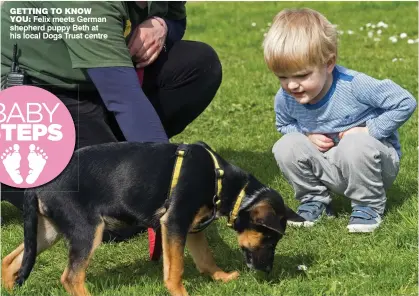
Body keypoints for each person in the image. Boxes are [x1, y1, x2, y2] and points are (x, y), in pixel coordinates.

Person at [1, 1, 222, 257]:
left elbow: (174, 18)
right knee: (117, 217)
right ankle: (11, 174)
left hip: (100, 76)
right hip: (43, 90)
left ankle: (115, 149)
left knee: (198, 64)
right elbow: (125, 99)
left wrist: (162, 26)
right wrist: (176, 190)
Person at [263, 8, 416, 233]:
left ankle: (368, 205)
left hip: (372, 164)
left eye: (302, 75)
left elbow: (405, 101)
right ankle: (315, 200)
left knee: (354, 143)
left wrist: (369, 131)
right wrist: (307, 137)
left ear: (329, 63)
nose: (292, 85)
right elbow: (284, 125)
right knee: (286, 145)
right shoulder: (286, 97)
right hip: (331, 166)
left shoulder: (354, 85)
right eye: (282, 77)